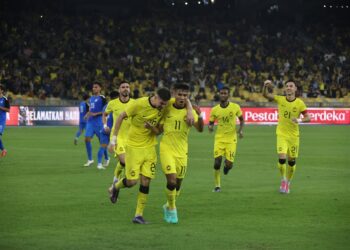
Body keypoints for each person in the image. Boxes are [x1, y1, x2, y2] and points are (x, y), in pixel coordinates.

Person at [108, 88, 173, 224]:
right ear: (155, 96)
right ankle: (115, 187)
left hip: (150, 149)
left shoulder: (165, 107)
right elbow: (120, 117)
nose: (163, 106)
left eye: (165, 104)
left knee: (146, 181)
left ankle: (138, 215)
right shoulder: (139, 104)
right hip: (133, 148)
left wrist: (151, 128)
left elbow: (158, 132)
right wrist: (113, 140)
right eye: (162, 103)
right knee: (132, 182)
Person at [158, 83, 204, 224]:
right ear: (174, 93)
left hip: (182, 151)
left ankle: (168, 204)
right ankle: (172, 208)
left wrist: (200, 115)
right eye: (180, 94)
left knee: (177, 185)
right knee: (171, 181)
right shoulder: (167, 105)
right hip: (166, 149)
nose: (182, 97)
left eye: (185, 95)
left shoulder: (191, 112)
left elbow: (200, 129)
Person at [262, 79, 311, 194]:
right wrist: (265, 86)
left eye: (291, 86)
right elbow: (265, 95)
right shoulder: (280, 99)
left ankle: (288, 182)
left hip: (294, 136)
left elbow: (308, 118)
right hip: (281, 134)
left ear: (295, 89)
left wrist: (299, 119)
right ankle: (283, 179)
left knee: (292, 162)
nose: (289, 88)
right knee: (282, 158)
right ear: (285, 89)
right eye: (287, 86)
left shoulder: (300, 103)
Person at [208, 86, 244, 192]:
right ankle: (217, 185)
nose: (223, 95)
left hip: (231, 140)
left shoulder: (235, 107)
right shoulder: (214, 109)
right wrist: (210, 127)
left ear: (228, 95)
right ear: (219, 94)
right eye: (221, 93)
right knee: (217, 162)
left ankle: (227, 167)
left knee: (229, 164)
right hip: (219, 139)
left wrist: (241, 130)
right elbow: (210, 122)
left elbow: (242, 120)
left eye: (225, 93)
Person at [103, 82, 134, 190]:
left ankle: (115, 181)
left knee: (122, 162)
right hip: (117, 137)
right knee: (125, 161)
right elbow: (105, 114)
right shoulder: (112, 103)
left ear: (129, 90)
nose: (125, 89)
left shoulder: (135, 103)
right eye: (123, 87)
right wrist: (105, 125)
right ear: (119, 90)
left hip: (131, 138)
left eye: (127, 87)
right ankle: (118, 184)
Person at [83, 81, 108, 168]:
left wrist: (96, 114)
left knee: (102, 141)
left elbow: (106, 110)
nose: (94, 88)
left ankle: (107, 158)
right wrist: (87, 114)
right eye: (93, 87)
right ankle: (90, 160)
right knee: (86, 139)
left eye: (96, 87)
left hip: (99, 122)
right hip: (90, 122)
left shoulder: (102, 98)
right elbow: (91, 109)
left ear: (100, 88)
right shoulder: (91, 98)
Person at [97, 90, 119, 170]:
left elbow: (104, 116)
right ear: (117, 97)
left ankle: (99, 164)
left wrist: (104, 126)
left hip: (104, 129)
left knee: (102, 147)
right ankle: (123, 163)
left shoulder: (105, 106)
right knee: (120, 147)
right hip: (113, 130)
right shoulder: (117, 106)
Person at [0, 84, 10, 157]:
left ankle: (3, 149)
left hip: (1, 121)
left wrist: (0, 107)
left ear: (2, 90)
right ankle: (3, 150)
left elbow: (8, 110)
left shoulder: (5, 99)